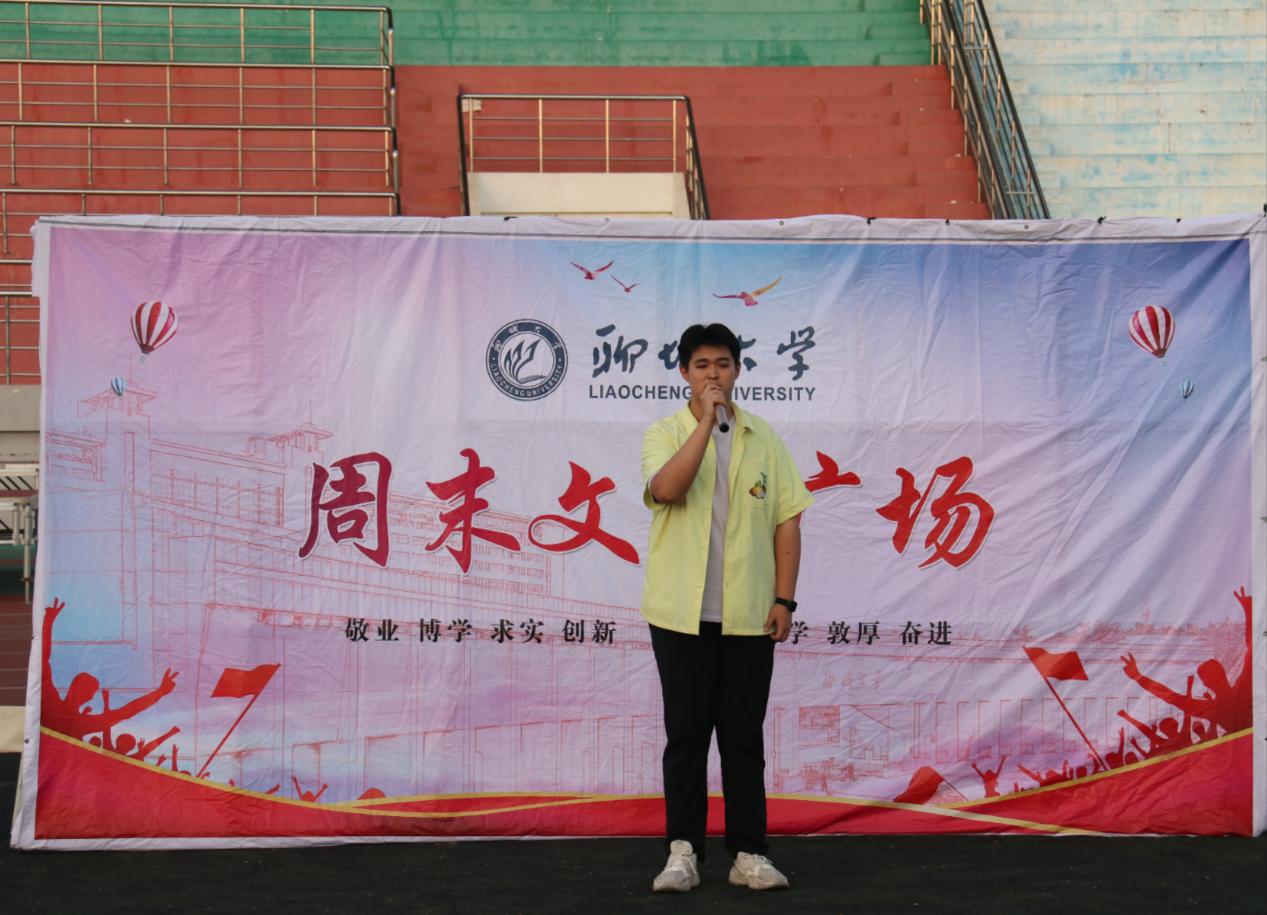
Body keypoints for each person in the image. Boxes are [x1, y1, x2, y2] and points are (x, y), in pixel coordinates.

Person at [640, 323, 813, 893]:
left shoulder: (765, 439)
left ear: (738, 369)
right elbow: (668, 489)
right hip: (679, 617)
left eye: (722, 364)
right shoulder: (664, 433)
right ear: (684, 373)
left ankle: (748, 853)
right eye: (702, 365)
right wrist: (705, 427)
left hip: (748, 614)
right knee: (687, 736)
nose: (713, 374)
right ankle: (683, 852)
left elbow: (787, 519)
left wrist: (784, 598)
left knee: (743, 738)